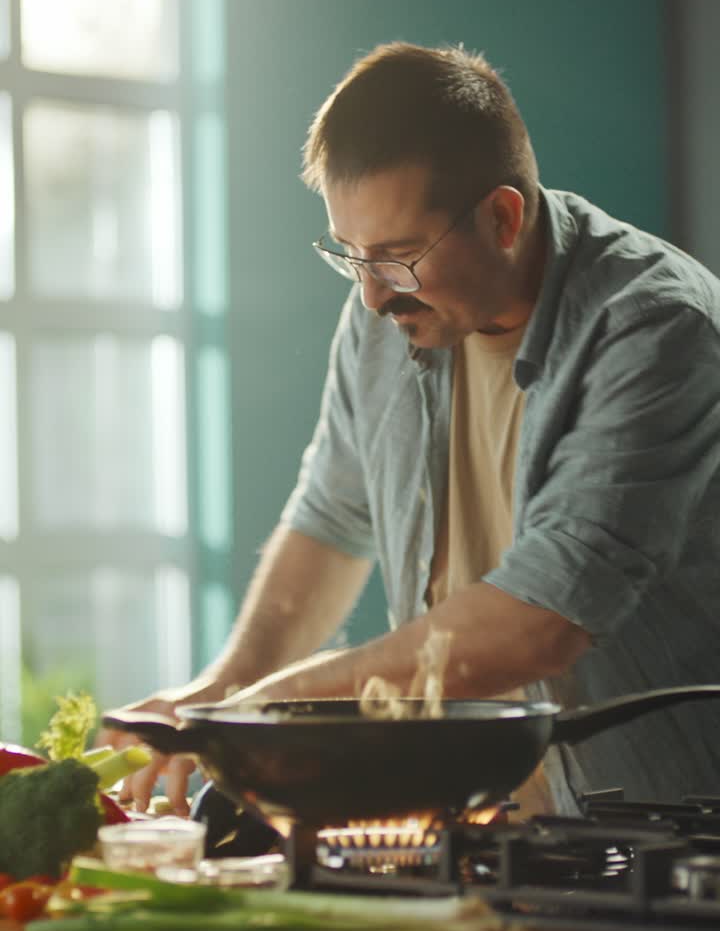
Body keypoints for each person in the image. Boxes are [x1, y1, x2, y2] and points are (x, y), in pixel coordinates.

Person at [104, 41, 720, 818]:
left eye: (397, 256)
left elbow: (543, 620)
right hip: (468, 828)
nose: (370, 297)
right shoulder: (386, 314)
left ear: (503, 218)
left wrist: (274, 707)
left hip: (668, 842)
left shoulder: (657, 326)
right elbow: (330, 520)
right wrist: (219, 692)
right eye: (350, 256)